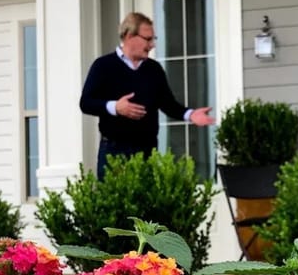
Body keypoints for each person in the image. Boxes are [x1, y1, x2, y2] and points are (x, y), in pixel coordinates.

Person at [79, 12, 215, 179]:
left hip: (147, 151)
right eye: (148, 39)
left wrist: (191, 114)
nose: (152, 45)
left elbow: (167, 103)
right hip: (114, 151)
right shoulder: (103, 65)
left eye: (153, 39)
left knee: (146, 203)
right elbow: (86, 103)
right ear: (129, 36)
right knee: (113, 203)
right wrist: (115, 107)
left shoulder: (154, 69)